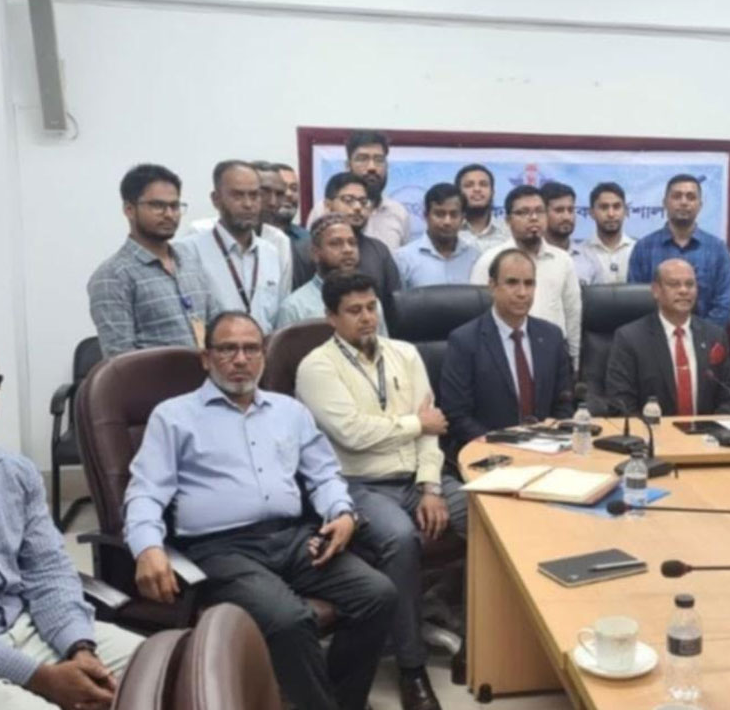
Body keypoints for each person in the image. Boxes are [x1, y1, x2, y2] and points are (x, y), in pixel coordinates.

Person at [124, 311, 396, 710]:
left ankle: (339, 701)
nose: (240, 359)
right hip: (220, 548)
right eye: (227, 349)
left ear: (263, 356)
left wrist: (341, 513)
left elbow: (324, 474)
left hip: (293, 537)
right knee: (288, 618)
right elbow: (145, 492)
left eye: (251, 349)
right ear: (206, 358)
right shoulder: (174, 416)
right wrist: (147, 547)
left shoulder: (290, 411)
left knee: (378, 595)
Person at [0, 327, 142, 710]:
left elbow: (49, 570)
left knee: (164, 669)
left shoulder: (17, 473)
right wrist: (40, 678)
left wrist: (79, 647)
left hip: (29, 629)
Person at [296, 273, 466, 710]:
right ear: (331, 317)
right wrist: (415, 424)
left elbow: (432, 431)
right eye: (354, 311)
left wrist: (431, 486)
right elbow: (353, 434)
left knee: (488, 514)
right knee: (400, 539)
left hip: (417, 478)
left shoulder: (405, 353)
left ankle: (481, 633)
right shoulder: (316, 367)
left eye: (371, 307)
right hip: (359, 485)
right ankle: (412, 668)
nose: (367, 318)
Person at [441, 249, 574, 451]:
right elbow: (457, 415)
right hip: (490, 452)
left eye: (529, 283)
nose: (522, 293)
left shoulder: (552, 336)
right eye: (512, 283)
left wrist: (550, 438)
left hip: (547, 450)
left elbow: (564, 404)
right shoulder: (465, 341)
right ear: (492, 286)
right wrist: (503, 447)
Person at [88, 163, 215, 357]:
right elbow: (120, 358)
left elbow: (214, 327)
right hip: (153, 377)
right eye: (157, 206)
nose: (169, 214)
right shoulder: (112, 276)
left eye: (175, 206)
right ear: (129, 209)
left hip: (206, 374)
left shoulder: (189, 260)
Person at [605, 258, 730, 416]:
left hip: (706, 430)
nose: (684, 290)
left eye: (690, 284)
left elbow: (729, 396)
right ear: (656, 291)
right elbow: (621, 403)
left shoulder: (714, 335)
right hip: (651, 429)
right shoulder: (630, 338)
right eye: (674, 284)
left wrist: (714, 428)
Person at [470, 186, 582, 364]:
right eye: (523, 212)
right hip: (502, 356)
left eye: (539, 211)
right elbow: (476, 313)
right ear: (508, 220)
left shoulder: (563, 260)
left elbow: (572, 313)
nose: (534, 218)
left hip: (552, 354)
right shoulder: (489, 260)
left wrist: (574, 359)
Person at [174, 160, 288, 332]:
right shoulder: (188, 251)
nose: (248, 204)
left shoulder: (270, 252)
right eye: (238, 196)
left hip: (263, 347)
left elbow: (277, 317)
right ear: (216, 199)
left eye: (254, 195)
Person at [627, 174, 730, 327]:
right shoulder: (644, 248)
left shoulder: (718, 249)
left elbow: (724, 304)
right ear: (665, 203)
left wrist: (698, 336)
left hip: (704, 338)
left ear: (700, 205)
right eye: (677, 196)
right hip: (653, 338)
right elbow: (635, 303)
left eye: (691, 197)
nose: (684, 202)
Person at [277, 214, 388, 335]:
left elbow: (383, 345)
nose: (348, 250)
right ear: (315, 253)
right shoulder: (295, 308)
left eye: (352, 243)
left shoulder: (370, 302)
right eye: (336, 244)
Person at [321, 172, 404, 313]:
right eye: (348, 200)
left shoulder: (379, 251)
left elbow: (394, 305)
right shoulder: (314, 249)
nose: (358, 207)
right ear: (328, 205)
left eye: (363, 201)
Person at [394, 183, 480, 288]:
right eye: (439, 214)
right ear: (426, 216)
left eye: (454, 215)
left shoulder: (475, 258)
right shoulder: (404, 259)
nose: (447, 222)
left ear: (463, 218)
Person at [347, 130, 410, 251]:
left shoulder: (398, 213)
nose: (372, 167)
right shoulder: (326, 210)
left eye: (379, 160)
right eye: (363, 159)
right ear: (348, 165)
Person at [540, 181, 601, 285]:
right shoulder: (530, 256)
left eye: (570, 210)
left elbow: (601, 294)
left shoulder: (589, 258)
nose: (566, 217)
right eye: (559, 210)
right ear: (543, 213)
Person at [266, 161, 312, 290]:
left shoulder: (307, 239)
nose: (289, 194)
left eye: (294, 188)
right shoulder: (250, 237)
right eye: (282, 188)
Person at [579, 182, 636, 284]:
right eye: (604, 207)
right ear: (592, 213)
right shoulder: (581, 253)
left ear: (625, 211)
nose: (611, 214)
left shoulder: (636, 250)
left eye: (616, 207)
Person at [455, 163, 509, 254]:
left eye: (483, 184)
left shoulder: (508, 233)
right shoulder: (449, 231)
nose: (477, 189)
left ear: (492, 192)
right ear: (458, 193)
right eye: (469, 185)